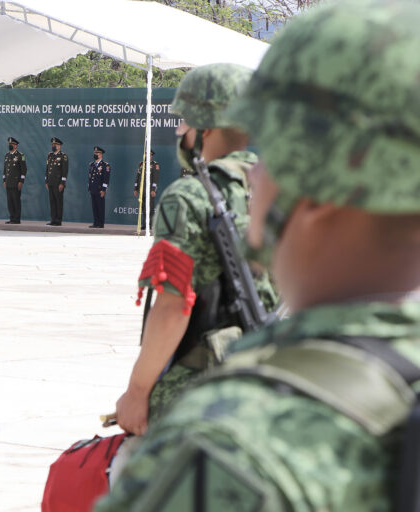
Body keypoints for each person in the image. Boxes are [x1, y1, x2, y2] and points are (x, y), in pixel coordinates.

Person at [96, 1, 420, 510]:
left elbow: (172, 304)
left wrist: (138, 392)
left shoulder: (230, 447)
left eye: (269, 161)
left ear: (309, 191)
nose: (255, 176)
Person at [113, 63, 277, 437]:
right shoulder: (281, 188)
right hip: (272, 375)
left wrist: (137, 392)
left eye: (184, 120)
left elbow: (173, 306)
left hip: (201, 390)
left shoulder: (188, 196)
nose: (179, 130)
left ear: (205, 126)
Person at [133, 150, 160, 230]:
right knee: (143, 207)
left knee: (150, 208)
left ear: (152, 156)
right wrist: (136, 188)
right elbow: (137, 177)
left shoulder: (155, 165)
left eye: (150, 155)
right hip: (142, 190)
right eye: (146, 155)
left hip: (149, 190)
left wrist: (153, 189)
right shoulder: (141, 164)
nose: (148, 156)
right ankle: (145, 224)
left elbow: (155, 179)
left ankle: (149, 224)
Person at [3, 136, 27, 224]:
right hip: (8, 182)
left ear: (16, 146)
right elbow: (5, 169)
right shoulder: (7, 155)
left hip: (16, 182)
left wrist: (21, 181)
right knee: (10, 201)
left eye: (12, 144)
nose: (10, 145)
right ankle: (12, 218)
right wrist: (4, 180)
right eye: (9, 144)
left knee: (16, 200)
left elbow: (24, 170)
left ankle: (17, 219)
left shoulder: (20, 155)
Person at [45, 137, 68, 226]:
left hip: (58, 183)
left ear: (59, 146)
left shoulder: (63, 156)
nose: (54, 146)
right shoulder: (50, 155)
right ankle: (53, 219)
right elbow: (47, 169)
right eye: (53, 145)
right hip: (50, 182)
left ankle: (58, 220)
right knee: (52, 201)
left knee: (58, 201)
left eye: (55, 145)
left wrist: (62, 183)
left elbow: (64, 171)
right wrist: (46, 181)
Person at [87, 146, 110, 228]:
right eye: (95, 153)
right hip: (93, 189)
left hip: (100, 189)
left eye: (97, 153)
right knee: (94, 207)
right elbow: (90, 177)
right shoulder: (92, 165)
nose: (95, 154)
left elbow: (106, 179)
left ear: (101, 155)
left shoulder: (105, 165)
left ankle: (100, 223)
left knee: (100, 206)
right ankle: (95, 222)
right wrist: (89, 187)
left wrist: (104, 190)